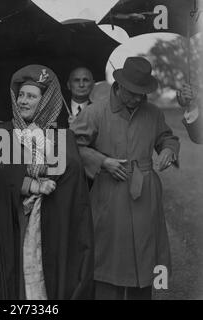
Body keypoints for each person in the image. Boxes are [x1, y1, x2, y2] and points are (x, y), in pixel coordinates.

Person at [71, 57, 180, 300]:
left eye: (142, 94)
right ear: (119, 86)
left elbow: (167, 138)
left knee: (146, 256)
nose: (137, 99)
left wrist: (168, 151)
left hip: (146, 196)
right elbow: (73, 146)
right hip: (110, 193)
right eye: (133, 93)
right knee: (108, 257)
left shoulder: (152, 112)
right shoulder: (96, 112)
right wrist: (102, 162)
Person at [0, 65, 94, 300]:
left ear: (46, 101)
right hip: (15, 227)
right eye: (20, 95)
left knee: (49, 286)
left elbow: (72, 183)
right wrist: (30, 183)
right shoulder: (1, 133)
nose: (23, 101)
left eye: (31, 96)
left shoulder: (64, 138)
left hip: (51, 227)